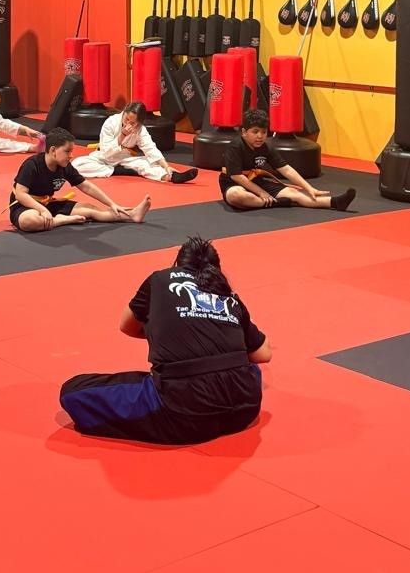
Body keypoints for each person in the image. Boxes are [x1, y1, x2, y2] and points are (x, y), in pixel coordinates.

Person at [60, 236, 271, 444]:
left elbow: (126, 326)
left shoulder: (160, 279)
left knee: (73, 391)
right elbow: (264, 354)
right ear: (217, 269)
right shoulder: (228, 294)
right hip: (246, 408)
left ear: (177, 264)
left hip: (185, 414)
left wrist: (169, 331)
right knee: (246, 367)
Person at [9, 126, 151, 232]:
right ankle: (59, 221)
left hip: (47, 203)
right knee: (30, 221)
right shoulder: (32, 165)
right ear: (53, 150)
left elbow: (86, 186)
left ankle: (132, 215)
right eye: (67, 151)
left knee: (89, 209)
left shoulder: (64, 166)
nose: (71, 155)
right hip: (24, 206)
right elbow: (21, 194)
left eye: (71, 151)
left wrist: (112, 204)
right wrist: (43, 210)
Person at [219, 109, 355, 212]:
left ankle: (334, 202)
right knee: (237, 196)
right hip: (234, 183)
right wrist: (261, 192)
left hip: (255, 180)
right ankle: (277, 202)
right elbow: (237, 177)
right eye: (255, 132)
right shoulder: (235, 147)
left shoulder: (266, 147)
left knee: (293, 193)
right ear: (244, 132)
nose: (260, 136)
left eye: (264, 132)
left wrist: (309, 188)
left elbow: (286, 169)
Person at [74, 101, 198, 185]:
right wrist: (122, 135)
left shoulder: (140, 129)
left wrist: (166, 166)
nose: (128, 123)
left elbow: (150, 148)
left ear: (139, 123)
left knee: (147, 164)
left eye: (133, 123)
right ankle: (117, 171)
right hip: (103, 157)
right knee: (77, 165)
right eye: (127, 119)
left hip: (124, 158)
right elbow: (106, 151)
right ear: (124, 112)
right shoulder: (111, 122)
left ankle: (171, 176)